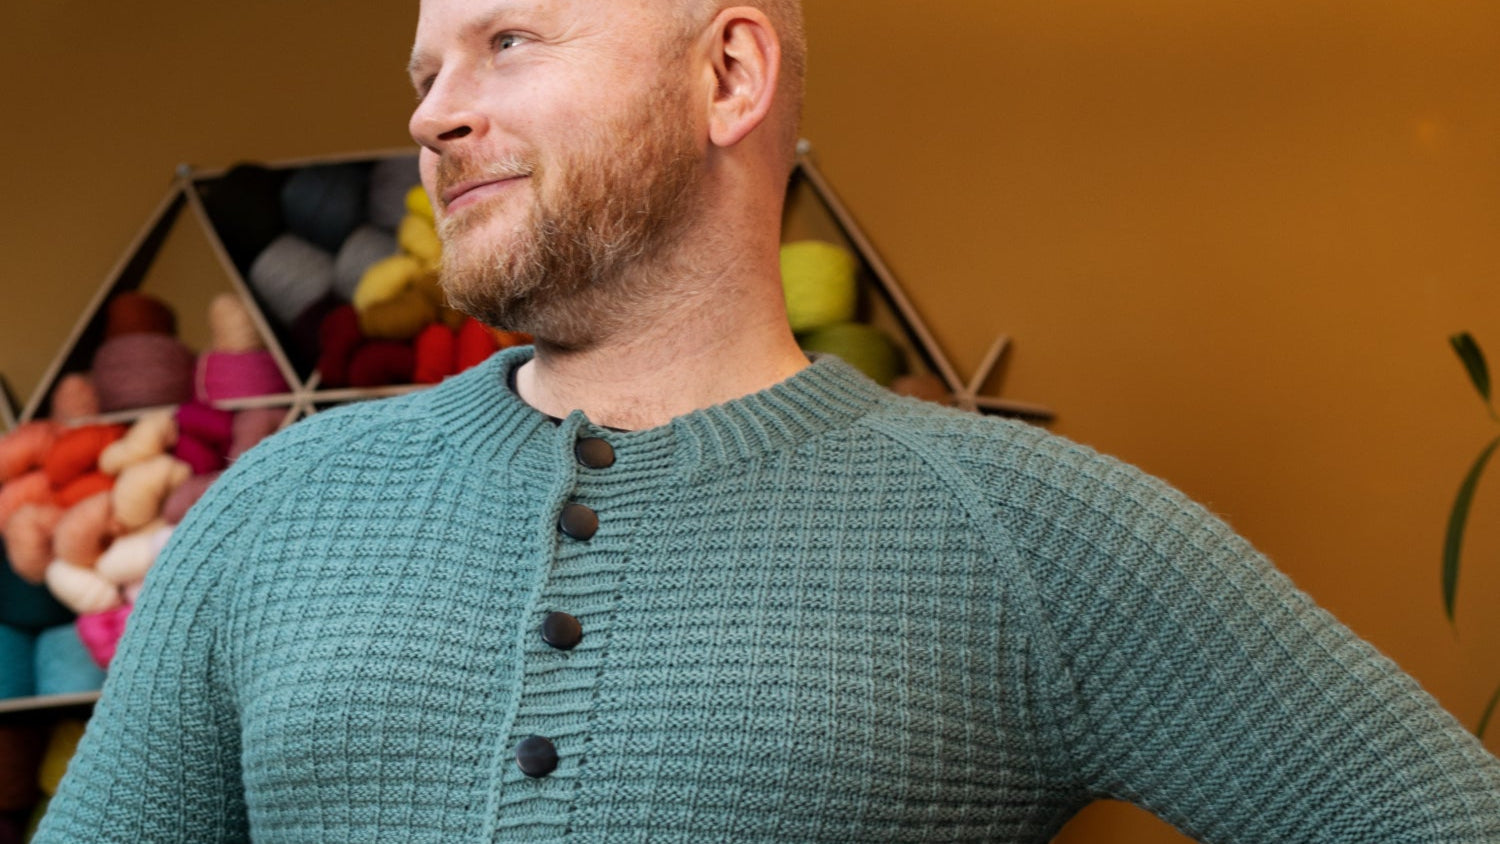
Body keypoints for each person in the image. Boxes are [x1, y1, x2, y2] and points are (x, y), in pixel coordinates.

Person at [36, 0, 1500, 841]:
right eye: (426, 73)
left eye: (508, 40)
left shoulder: (1026, 533)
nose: (431, 114)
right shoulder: (268, 517)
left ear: (728, 74)